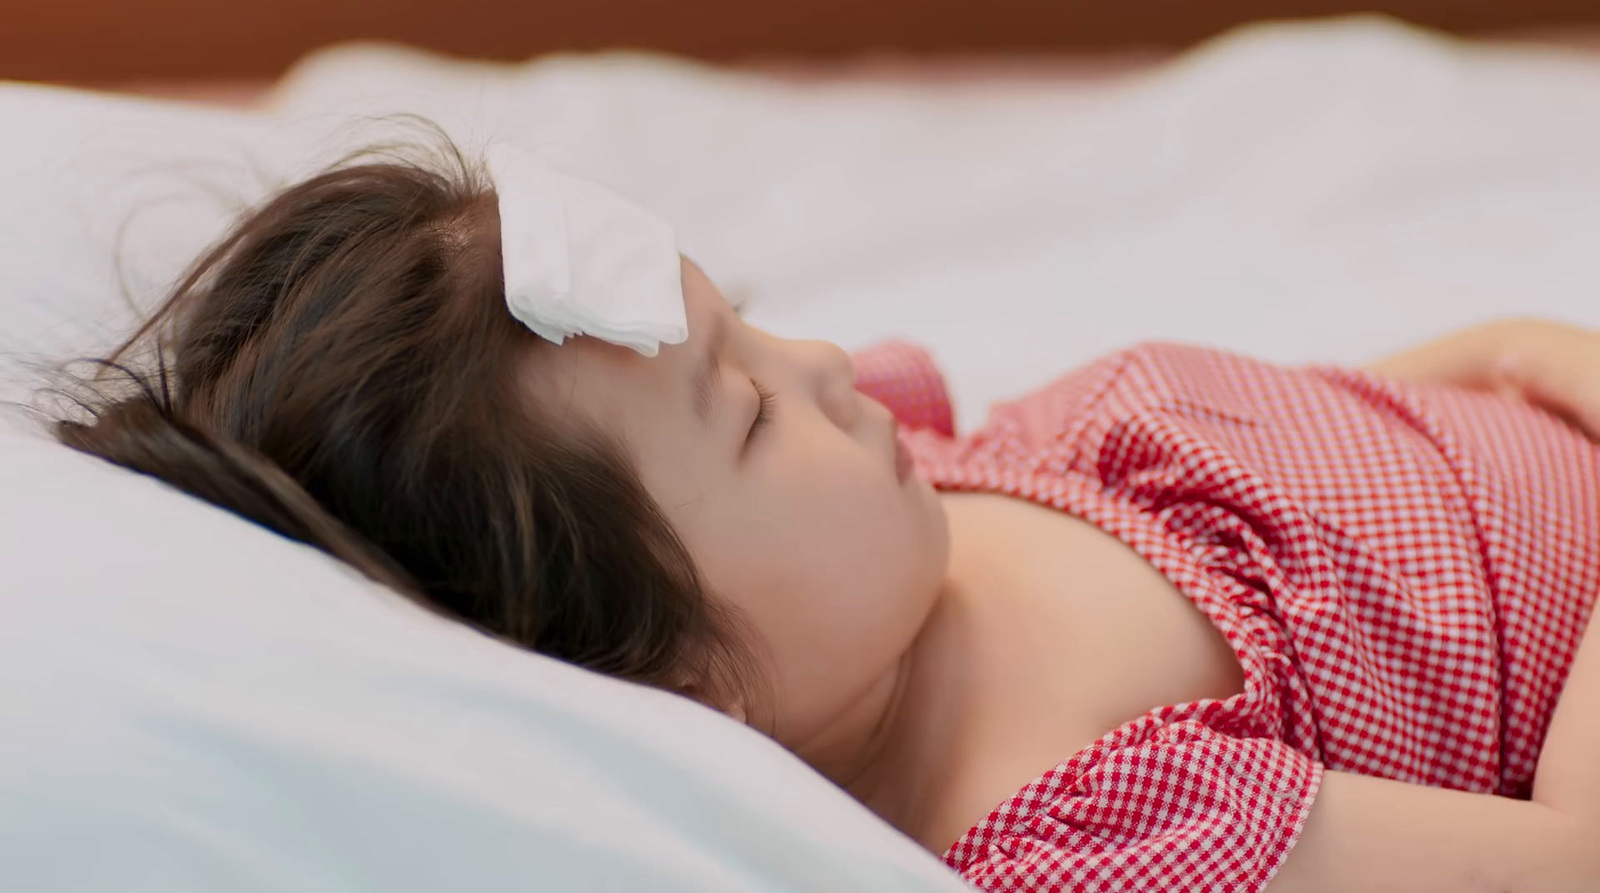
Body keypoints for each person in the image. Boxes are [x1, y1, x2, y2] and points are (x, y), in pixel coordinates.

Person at [53, 145, 1600, 892]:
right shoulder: (1087, 819)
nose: (825, 366)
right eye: (747, 405)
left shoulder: (903, 519)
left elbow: (1301, 444)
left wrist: (1499, 355)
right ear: (684, 687)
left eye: (756, 324)